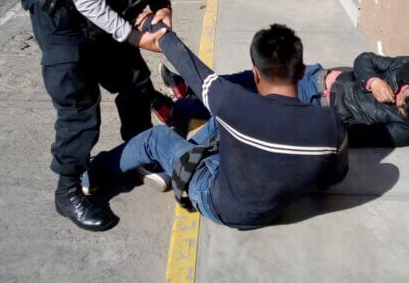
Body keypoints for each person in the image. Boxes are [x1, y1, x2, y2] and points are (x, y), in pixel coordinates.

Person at [21, 0, 199, 232]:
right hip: (64, 18)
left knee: (136, 85)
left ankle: (138, 152)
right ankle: (67, 190)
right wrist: (137, 37)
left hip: (104, 13)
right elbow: (86, 0)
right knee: (79, 106)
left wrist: (163, 7)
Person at [87, 23, 349, 229]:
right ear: (302, 71)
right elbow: (332, 179)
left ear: (256, 74)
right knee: (220, 125)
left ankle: (89, 173)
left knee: (155, 138)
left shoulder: (237, 105)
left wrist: (163, 36)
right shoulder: (330, 125)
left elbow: (196, 73)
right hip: (274, 208)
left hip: (217, 201)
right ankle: (172, 171)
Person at [160, 52, 409, 149]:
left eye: (401, 108)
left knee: (242, 111)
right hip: (316, 76)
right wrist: (373, 81)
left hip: (314, 106)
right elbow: (365, 60)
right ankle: (185, 106)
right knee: (246, 80)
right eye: (404, 95)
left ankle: (181, 152)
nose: (397, 100)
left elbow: (356, 136)